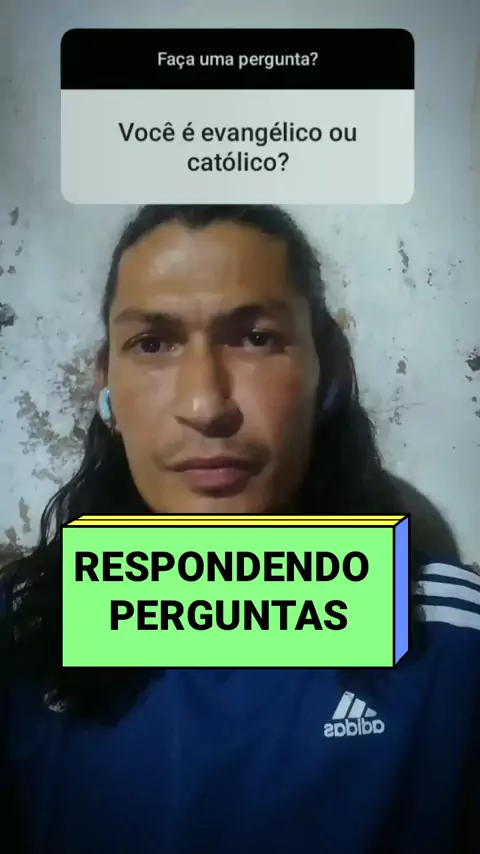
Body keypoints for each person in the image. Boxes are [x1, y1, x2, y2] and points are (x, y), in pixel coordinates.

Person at [0, 204, 478, 854]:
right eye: (153, 343)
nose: (205, 405)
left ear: (330, 375)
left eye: (255, 338)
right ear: (104, 390)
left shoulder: (453, 647)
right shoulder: (22, 636)